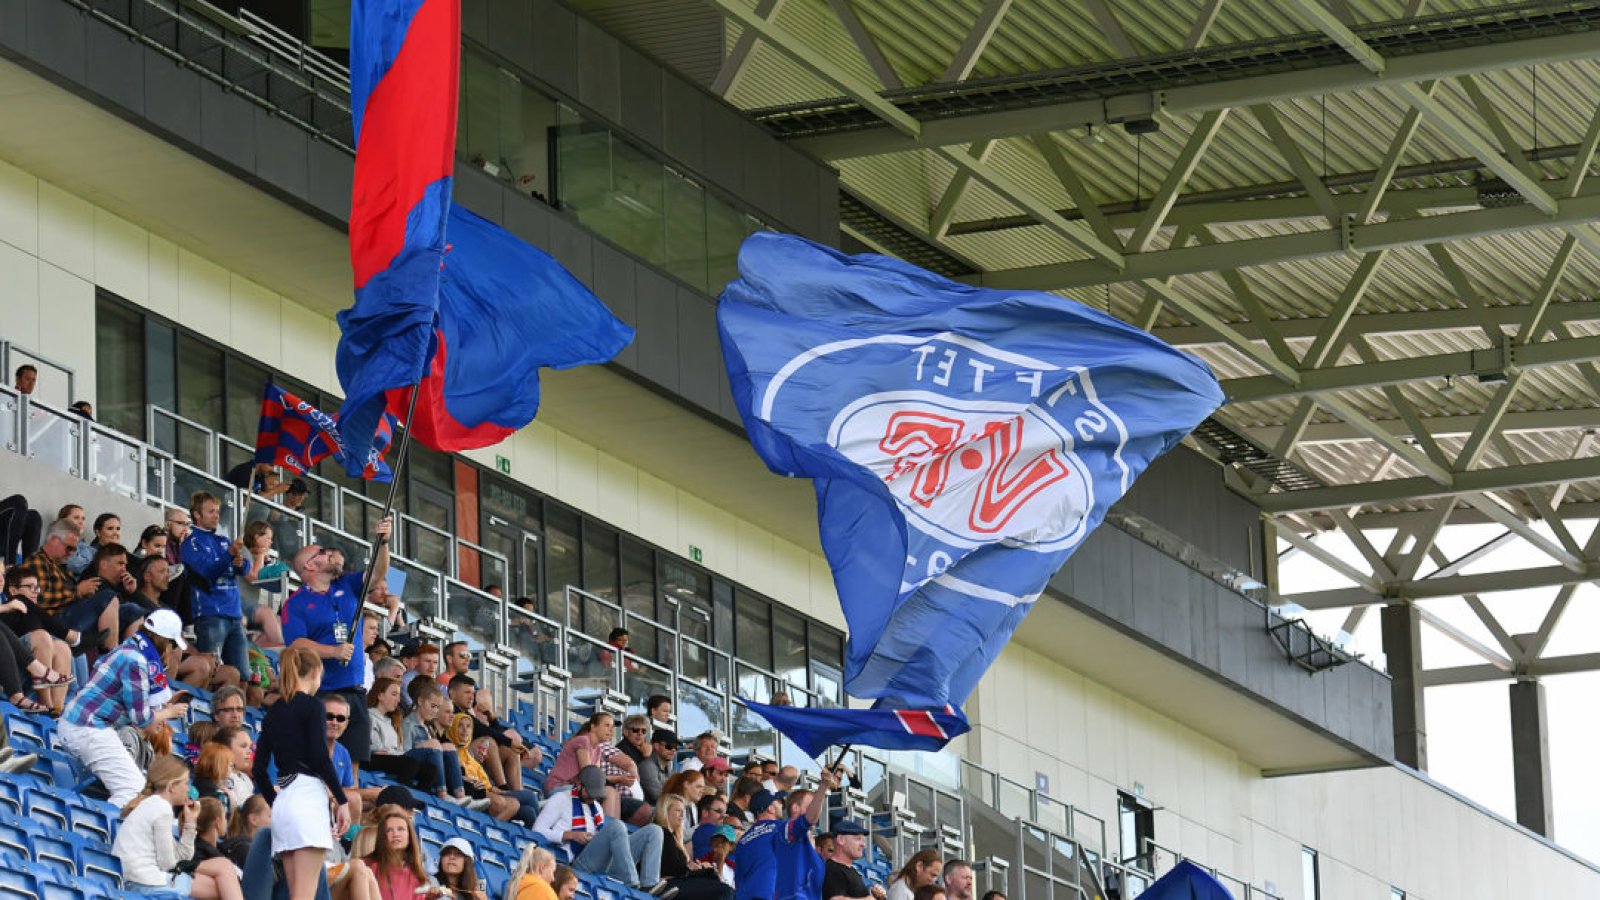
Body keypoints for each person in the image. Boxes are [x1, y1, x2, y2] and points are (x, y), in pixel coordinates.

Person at [282, 515, 392, 769]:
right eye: (321, 553)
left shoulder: (345, 583)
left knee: (352, 767)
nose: (329, 554)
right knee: (324, 761)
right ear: (309, 566)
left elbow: (376, 574)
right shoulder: (296, 603)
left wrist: (383, 544)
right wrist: (332, 651)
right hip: (325, 691)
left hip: (355, 692)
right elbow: (296, 644)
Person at [57, 608, 189, 805]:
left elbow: (136, 707)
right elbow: (141, 719)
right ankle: (110, 833)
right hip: (86, 727)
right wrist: (169, 712)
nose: (172, 651)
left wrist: (162, 708)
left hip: (87, 725)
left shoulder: (132, 649)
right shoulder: (136, 660)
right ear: (163, 641)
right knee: (132, 790)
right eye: (172, 644)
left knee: (136, 788)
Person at [254, 646, 353, 900]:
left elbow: (258, 770)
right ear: (316, 672)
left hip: (284, 801)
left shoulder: (273, 712)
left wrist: (277, 802)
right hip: (307, 798)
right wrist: (342, 800)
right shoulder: (312, 706)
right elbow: (320, 758)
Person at [113, 754, 245, 899]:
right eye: (186, 783)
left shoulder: (155, 805)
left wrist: (190, 823)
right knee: (221, 880)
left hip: (142, 879)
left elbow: (182, 856)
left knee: (222, 870)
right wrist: (191, 867)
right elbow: (167, 864)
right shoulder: (161, 809)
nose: (189, 789)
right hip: (143, 882)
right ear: (172, 787)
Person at [531, 765, 670, 894]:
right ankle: (632, 884)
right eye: (590, 793)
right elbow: (537, 831)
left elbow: (602, 839)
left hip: (603, 862)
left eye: (596, 794)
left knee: (654, 830)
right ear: (579, 785)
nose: (593, 797)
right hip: (577, 862)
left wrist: (592, 838)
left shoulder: (596, 807)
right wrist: (569, 835)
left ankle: (649, 885)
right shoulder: (560, 799)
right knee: (616, 826)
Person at [734, 767, 840, 900]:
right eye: (778, 802)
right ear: (770, 808)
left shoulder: (743, 840)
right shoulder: (778, 828)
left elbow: (738, 880)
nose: (781, 804)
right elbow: (808, 819)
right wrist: (823, 786)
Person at [19, 517, 118, 657]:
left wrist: (84, 595)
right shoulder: (37, 561)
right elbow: (38, 599)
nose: (71, 553)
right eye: (69, 547)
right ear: (54, 540)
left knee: (129, 610)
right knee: (107, 596)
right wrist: (76, 592)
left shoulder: (62, 568)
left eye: (75, 549)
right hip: (54, 622)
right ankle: (111, 660)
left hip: (67, 616)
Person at [183, 491, 253, 679]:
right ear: (197, 515)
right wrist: (229, 554)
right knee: (212, 672)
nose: (216, 515)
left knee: (244, 676)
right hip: (210, 615)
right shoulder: (191, 544)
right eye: (211, 511)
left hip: (235, 616)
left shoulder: (223, 541)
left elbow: (245, 571)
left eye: (218, 511)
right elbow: (208, 572)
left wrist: (241, 563)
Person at [654, 793, 733, 900]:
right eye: (678, 811)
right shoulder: (661, 833)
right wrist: (693, 867)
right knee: (724, 890)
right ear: (665, 812)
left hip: (678, 882)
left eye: (683, 811)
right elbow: (672, 867)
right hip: (665, 884)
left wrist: (698, 867)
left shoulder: (676, 839)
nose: (682, 815)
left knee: (724, 887)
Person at [366, 804, 442, 900]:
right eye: (389, 830)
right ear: (382, 837)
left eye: (400, 829)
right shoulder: (368, 867)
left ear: (409, 835)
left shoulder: (418, 874)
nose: (395, 834)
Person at [820, 820, 885, 900]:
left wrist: (876, 896)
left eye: (863, 840)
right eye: (857, 839)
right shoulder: (832, 869)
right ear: (841, 840)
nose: (863, 844)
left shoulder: (853, 871)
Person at [212, 725, 257, 809]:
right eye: (243, 746)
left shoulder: (245, 778)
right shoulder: (222, 777)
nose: (249, 752)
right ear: (225, 749)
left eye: (250, 747)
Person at [67, 512, 120, 576]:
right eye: (110, 529)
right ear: (98, 532)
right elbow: (73, 564)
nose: (116, 533)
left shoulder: (123, 557)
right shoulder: (86, 550)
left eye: (118, 529)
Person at [640, 729, 677, 804]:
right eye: (669, 746)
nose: (673, 750)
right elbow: (659, 796)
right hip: (651, 813)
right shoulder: (647, 766)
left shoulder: (669, 769)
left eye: (675, 747)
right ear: (656, 746)